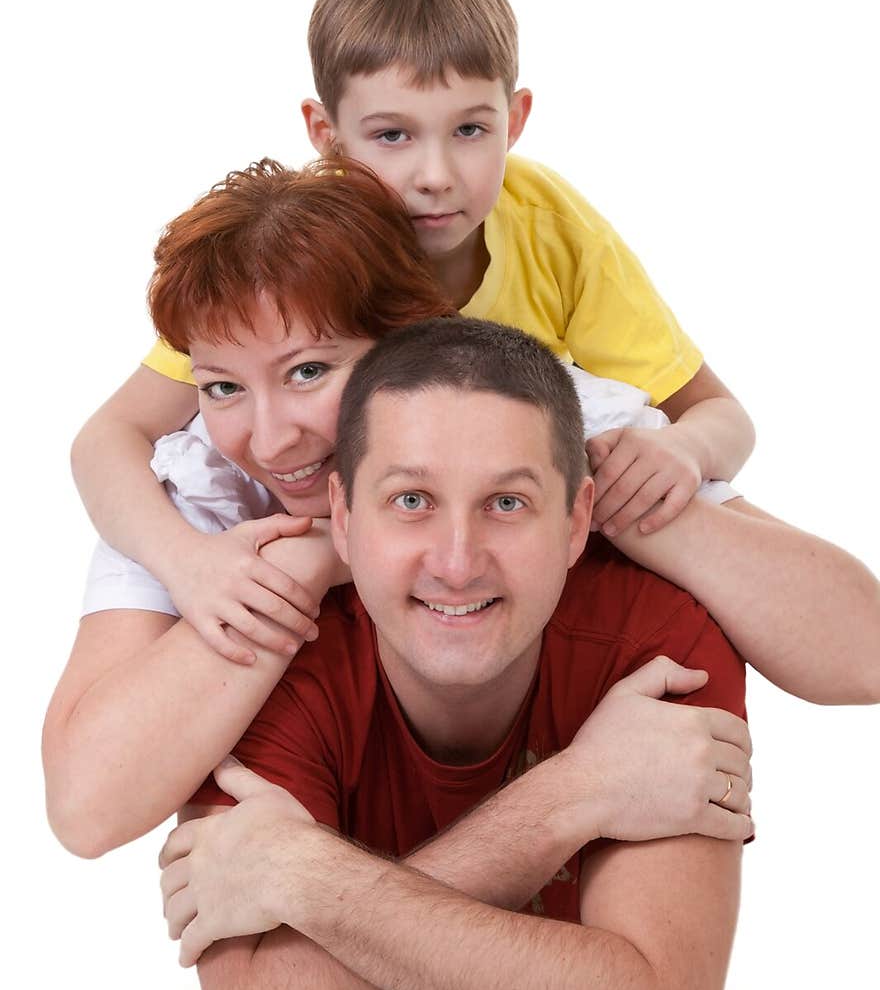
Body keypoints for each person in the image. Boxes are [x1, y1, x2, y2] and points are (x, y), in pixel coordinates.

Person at [43, 158, 880, 861]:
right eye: (222, 387)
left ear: (411, 339)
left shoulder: (541, 422)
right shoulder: (196, 489)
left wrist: (601, 501)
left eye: (308, 373)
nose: (269, 438)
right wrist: (295, 566)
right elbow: (86, 811)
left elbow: (861, 651)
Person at [67, 0, 759, 660]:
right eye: (392, 135)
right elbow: (110, 437)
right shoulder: (292, 257)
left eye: (469, 130)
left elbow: (720, 415)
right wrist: (184, 561)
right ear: (325, 135)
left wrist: (684, 448)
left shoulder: (553, 229)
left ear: (514, 119)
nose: (434, 175)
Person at [158, 318, 754, 990]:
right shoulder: (267, 651)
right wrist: (576, 794)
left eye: (507, 502)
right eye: (411, 500)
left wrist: (303, 876)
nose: (457, 561)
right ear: (341, 515)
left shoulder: (657, 638)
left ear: (576, 520)